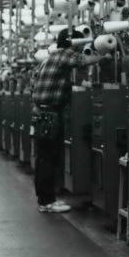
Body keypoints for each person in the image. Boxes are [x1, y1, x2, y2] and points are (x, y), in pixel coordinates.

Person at [30, 28, 109, 213]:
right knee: (49, 158)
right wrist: (104, 54)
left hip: (42, 113)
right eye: (79, 44)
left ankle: (45, 198)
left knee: (44, 157)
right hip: (50, 114)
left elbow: (34, 82)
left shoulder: (49, 59)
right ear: (72, 43)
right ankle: (47, 201)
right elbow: (84, 61)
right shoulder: (63, 55)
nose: (81, 48)